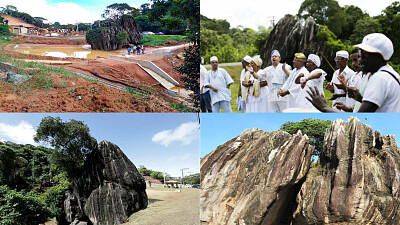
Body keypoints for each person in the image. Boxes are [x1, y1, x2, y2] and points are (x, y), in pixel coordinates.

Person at [307, 33, 400, 112]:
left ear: (378, 56)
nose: (360, 61)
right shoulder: (389, 74)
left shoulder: (380, 78)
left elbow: (358, 120)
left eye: (364, 55)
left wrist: (324, 107)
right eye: (360, 56)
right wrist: (360, 98)